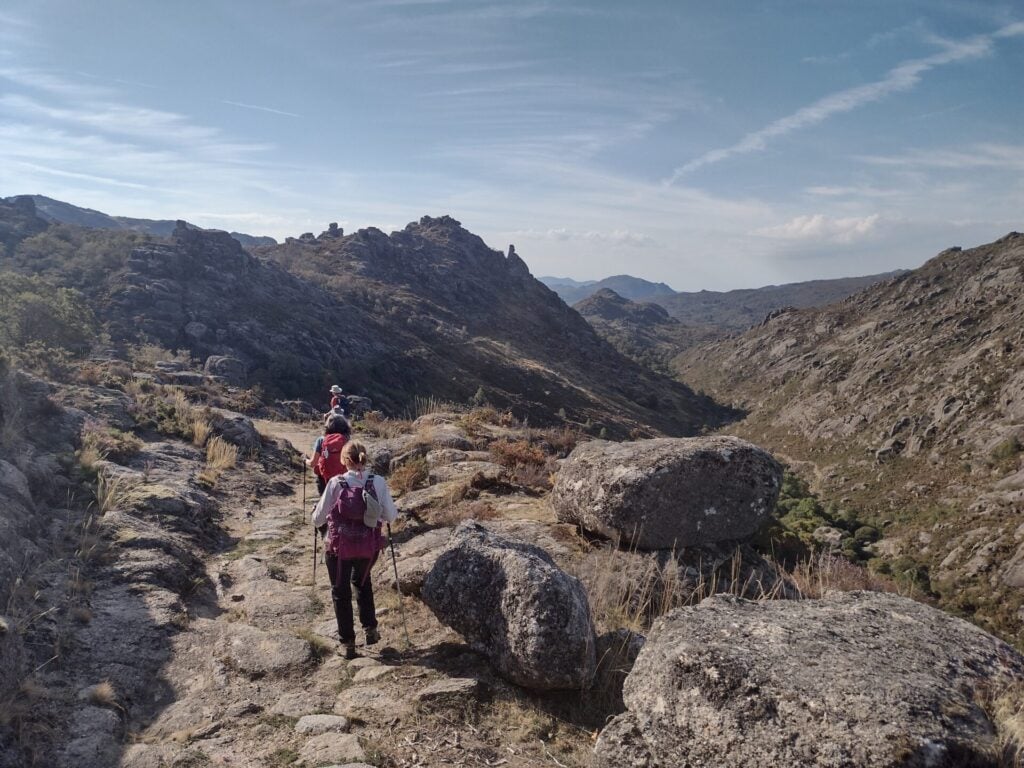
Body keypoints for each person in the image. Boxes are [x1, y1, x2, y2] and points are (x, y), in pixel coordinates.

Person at [312, 441, 399, 658]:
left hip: (339, 548)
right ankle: (370, 629)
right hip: (368, 547)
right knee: (362, 582)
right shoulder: (378, 482)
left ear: (344, 460)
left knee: (340, 592)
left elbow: (318, 519)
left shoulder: (336, 483)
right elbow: (390, 516)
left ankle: (348, 643)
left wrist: (316, 514)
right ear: (364, 458)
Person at [307, 413, 351, 495]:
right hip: (343, 479)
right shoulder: (347, 441)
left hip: (324, 479)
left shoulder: (321, 440)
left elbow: (313, 463)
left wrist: (305, 460)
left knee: (325, 501)